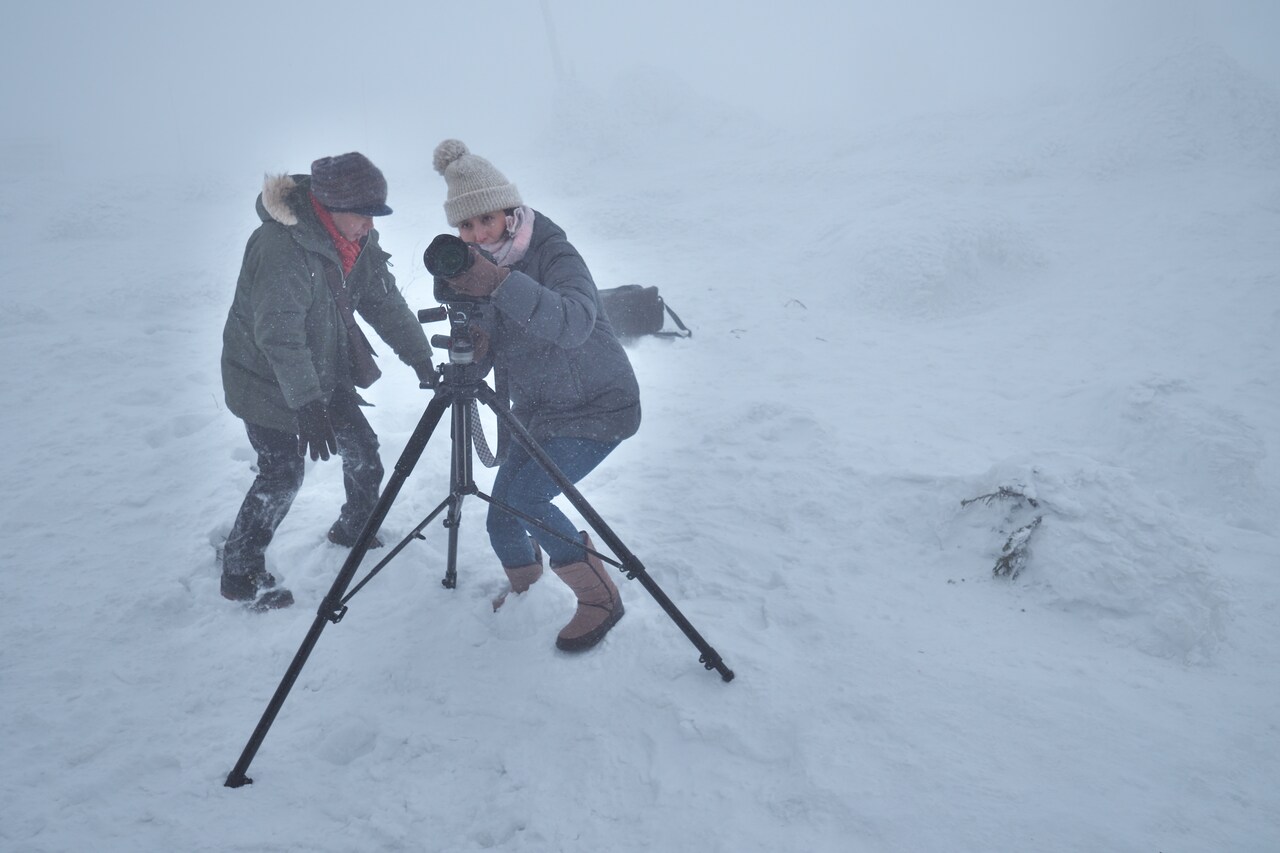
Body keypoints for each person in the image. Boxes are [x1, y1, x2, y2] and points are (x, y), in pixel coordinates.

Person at [432, 138, 640, 651]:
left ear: (509, 211)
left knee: (528, 499)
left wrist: (499, 284)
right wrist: (475, 346)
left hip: (599, 408)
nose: (478, 234)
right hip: (540, 412)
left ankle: (599, 598)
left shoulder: (554, 252)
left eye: (486, 219)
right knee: (501, 514)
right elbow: (494, 342)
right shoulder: (478, 265)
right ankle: (527, 592)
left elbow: (573, 323)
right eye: (466, 226)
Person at [220, 152, 436, 610]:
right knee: (281, 474)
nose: (370, 225)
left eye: (375, 215)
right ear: (330, 207)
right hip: (264, 379)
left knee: (363, 452)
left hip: (322, 368)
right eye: (363, 214)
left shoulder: (355, 240)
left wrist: (420, 357)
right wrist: (307, 403)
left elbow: (383, 301)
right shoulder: (281, 246)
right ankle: (240, 570)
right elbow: (279, 335)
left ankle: (354, 528)